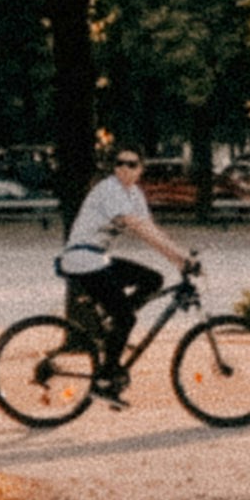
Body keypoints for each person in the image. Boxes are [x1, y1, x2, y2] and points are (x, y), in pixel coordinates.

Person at [59, 139, 189, 364]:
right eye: (120, 163)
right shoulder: (110, 189)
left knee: (152, 280)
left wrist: (180, 258)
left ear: (141, 168)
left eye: (131, 164)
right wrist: (179, 256)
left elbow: (150, 229)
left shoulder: (134, 193)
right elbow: (137, 227)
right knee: (126, 319)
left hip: (97, 258)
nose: (124, 169)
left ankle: (112, 323)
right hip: (82, 259)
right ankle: (107, 378)